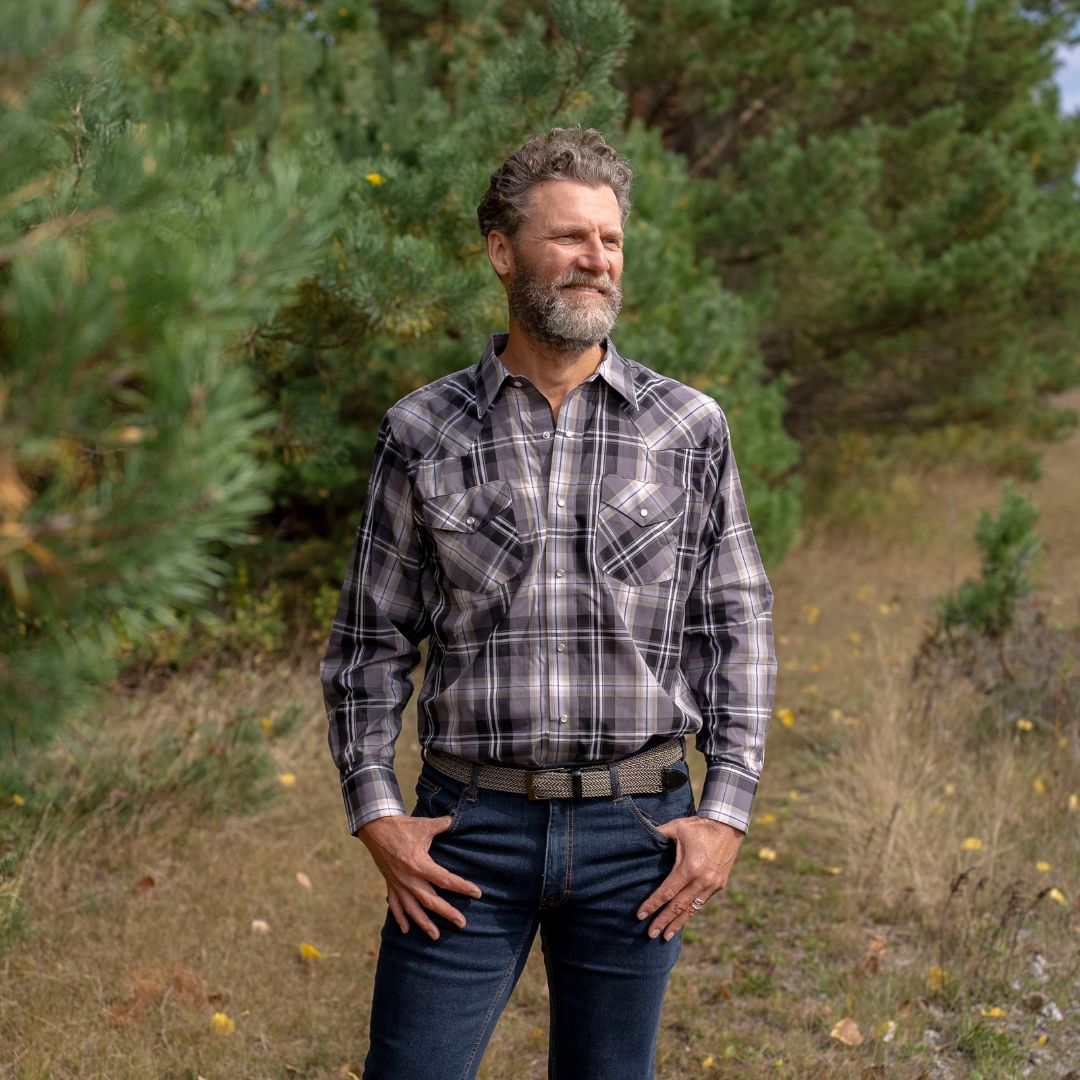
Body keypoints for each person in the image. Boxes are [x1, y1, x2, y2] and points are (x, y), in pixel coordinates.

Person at [319, 124, 777, 1080]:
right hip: (464, 835)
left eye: (609, 241)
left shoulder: (689, 428)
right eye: (569, 237)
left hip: (639, 835)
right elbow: (369, 640)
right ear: (501, 251)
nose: (595, 259)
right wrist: (376, 811)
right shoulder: (423, 429)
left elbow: (736, 626)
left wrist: (725, 812)